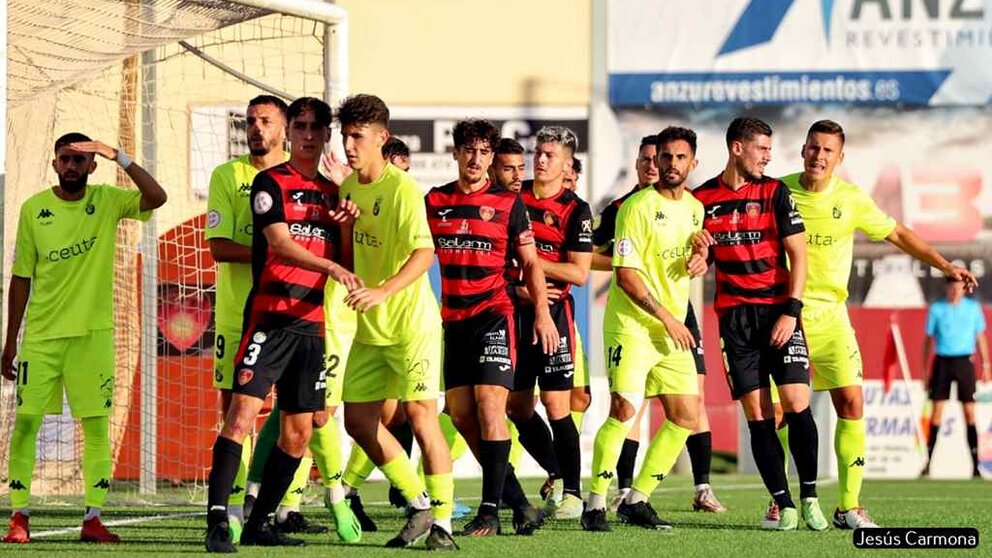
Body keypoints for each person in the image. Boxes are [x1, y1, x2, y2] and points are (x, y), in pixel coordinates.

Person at [781, 119, 979, 524]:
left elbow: (900, 235)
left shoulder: (851, 199)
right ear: (803, 149)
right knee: (782, 412)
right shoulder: (778, 191)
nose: (819, 156)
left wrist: (944, 266)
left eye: (828, 151)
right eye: (814, 148)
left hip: (832, 317)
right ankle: (781, 498)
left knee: (852, 403)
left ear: (840, 158)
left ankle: (848, 506)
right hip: (785, 316)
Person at [204, 97, 363, 552]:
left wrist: (346, 227)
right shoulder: (269, 181)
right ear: (289, 133)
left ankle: (260, 524)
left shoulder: (335, 194)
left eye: (317, 127)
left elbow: (347, 260)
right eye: (301, 126)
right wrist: (332, 268)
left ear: (326, 135)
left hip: (311, 326)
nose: (309, 134)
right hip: (269, 320)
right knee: (240, 416)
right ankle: (218, 520)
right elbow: (278, 244)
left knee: (299, 431)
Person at [2, 132, 167, 544]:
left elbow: (157, 197)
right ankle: (18, 517)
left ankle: (93, 518)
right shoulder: (34, 209)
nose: (72, 166)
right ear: (55, 164)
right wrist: (10, 343)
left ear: (92, 166)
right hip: (41, 338)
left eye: (80, 159)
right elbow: (21, 279)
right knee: (25, 425)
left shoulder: (109, 201)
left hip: (93, 338)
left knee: (94, 429)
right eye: (65, 159)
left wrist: (119, 156)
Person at [324, 94, 455, 550]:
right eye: (345, 136)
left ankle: (443, 525)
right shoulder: (348, 190)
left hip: (410, 324)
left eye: (357, 136)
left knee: (422, 417)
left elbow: (424, 254)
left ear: (381, 138)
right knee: (358, 422)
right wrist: (343, 228)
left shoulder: (402, 190)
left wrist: (383, 290)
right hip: (367, 326)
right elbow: (346, 260)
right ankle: (419, 503)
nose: (349, 145)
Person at [692, 117, 825, 531]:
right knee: (758, 415)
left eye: (769, 150)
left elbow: (799, 255)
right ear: (737, 148)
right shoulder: (702, 201)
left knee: (798, 404)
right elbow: (698, 259)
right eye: (762, 150)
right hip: (735, 322)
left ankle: (809, 497)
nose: (768, 157)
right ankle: (782, 503)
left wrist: (792, 309)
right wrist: (696, 254)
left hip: (779, 312)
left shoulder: (775, 192)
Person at [426, 119, 556, 536]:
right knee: (462, 416)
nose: (476, 159)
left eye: (484, 152)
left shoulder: (507, 203)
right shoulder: (435, 201)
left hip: (493, 316)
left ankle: (489, 512)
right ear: (456, 153)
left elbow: (531, 263)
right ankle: (519, 502)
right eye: (470, 150)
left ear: (490, 157)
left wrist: (541, 312)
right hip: (454, 323)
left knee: (489, 406)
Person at [581, 127, 707, 531]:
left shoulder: (694, 208)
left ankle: (638, 499)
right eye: (665, 157)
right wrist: (670, 317)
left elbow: (683, 259)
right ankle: (595, 504)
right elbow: (627, 276)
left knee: (685, 415)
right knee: (625, 410)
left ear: (693, 164)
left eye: (679, 158)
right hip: (633, 326)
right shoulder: (635, 207)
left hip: (669, 330)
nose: (670, 165)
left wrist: (702, 257)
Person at [205, 95, 289, 540]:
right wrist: (277, 251)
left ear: (284, 128)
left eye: (265, 121)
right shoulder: (228, 175)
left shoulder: (299, 176)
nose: (256, 128)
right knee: (235, 411)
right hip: (239, 312)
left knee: (305, 415)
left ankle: (282, 506)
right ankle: (233, 511)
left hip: (295, 312)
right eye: (251, 121)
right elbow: (218, 246)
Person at [509, 126, 593, 520]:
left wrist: (531, 266)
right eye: (538, 153)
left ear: (566, 165)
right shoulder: (512, 197)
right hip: (512, 312)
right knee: (517, 407)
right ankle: (557, 472)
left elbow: (578, 274)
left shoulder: (576, 209)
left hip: (555, 316)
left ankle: (574, 494)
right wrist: (523, 285)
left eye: (549, 156)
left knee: (557, 404)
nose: (540, 160)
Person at [923, 278, 987, 478]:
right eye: (951, 286)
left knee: (969, 412)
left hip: (964, 362)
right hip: (942, 361)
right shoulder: (937, 309)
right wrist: (924, 370)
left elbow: (981, 337)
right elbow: (927, 340)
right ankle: (928, 464)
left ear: (964, 288)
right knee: (936, 413)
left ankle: (976, 466)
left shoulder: (973, 308)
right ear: (946, 288)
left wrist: (986, 364)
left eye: (958, 286)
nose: (954, 289)